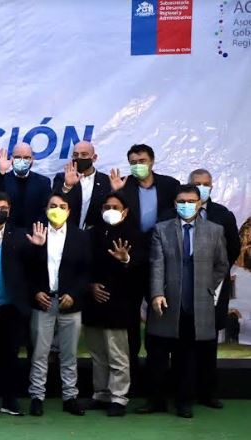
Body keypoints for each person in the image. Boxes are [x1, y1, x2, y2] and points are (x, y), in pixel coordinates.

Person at [138, 185, 229, 418]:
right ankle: (155, 400)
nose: (186, 205)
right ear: (175, 204)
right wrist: (157, 293)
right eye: (181, 200)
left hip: (197, 304)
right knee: (157, 356)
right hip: (166, 303)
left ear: (199, 203)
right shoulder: (161, 229)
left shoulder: (215, 230)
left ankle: (184, 401)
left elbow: (222, 265)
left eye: (191, 200)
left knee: (187, 357)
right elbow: (157, 264)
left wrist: (208, 286)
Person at [110, 143, 179, 387]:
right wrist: (118, 193)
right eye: (133, 162)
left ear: (152, 161)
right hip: (130, 261)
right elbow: (114, 217)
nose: (138, 165)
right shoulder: (124, 186)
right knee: (129, 323)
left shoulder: (171, 185)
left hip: (162, 262)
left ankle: (157, 383)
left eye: (142, 160)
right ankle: (130, 382)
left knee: (158, 321)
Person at [0, 191, 41, 416]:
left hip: (13, 306)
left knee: (11, 354)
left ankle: (11, 400)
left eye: (4, 208)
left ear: (9, 211)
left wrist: (38, 248)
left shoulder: (22, 236)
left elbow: (33, 269)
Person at [27, 193, 90, 417]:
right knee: (39, 353)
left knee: (69, 354)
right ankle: (37, 396)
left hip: (70, 304)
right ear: (46, 209)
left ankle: (70, 397)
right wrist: (36, 292)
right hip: (43, 302)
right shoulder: (36, 233)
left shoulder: (81, 237)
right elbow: (27, 269)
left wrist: (74, 293)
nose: (57, 209)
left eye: (62, 206)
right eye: (52, 206)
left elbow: (85, 272)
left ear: (69, 211)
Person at [83, 193, 146, 417]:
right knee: (98, 353)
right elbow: (82, 266)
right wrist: (90, 286)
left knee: (118, 354)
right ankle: (101, 394)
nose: (110, 210)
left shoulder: (135, 236)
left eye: (115, 206)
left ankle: (119, 397)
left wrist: (126, 260)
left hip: (120, 305)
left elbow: (140, 268)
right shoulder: (92, 235)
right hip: (93, 304)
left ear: (125, 211)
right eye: (106, 206)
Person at [188, 169, 241, 409]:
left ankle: (208, 392)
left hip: (214, 287)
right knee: (185, 341)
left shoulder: (223, 215)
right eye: (196, 183)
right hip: (186, 286)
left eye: (205, 184)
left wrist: (216, 276)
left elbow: (233, 249)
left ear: (212, 186)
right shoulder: (180, 209)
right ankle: (183, 392)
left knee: (209, 341)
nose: (201, 187)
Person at [0, 144, 52, 229]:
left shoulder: (43, 182)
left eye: (26, 158)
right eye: (17, 157)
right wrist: (1, 172)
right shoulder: (2, 178)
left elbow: (46, 209)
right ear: (12, 159)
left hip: (34, 234)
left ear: (32, 159)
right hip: (7, 233)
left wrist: (38, 229)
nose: (22, 160)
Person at [53, 141, 111, 230]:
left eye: (84, 154)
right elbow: (53, 204)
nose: (79, 158)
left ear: (94, 158)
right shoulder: (61, 178)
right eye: (76, 155)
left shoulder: (106, 180)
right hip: (67, 232)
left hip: (94, 236)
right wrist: (67, 186)